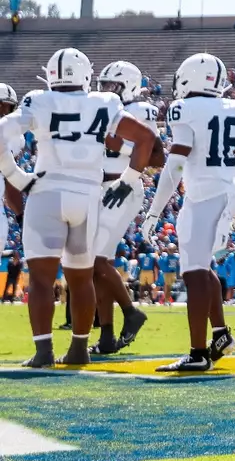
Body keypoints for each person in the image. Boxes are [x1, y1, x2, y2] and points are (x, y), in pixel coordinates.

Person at [1, 50, 149, 367]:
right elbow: (145, 138)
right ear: (84, 75)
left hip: (48, 191)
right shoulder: (105, 102)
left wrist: (15, 175)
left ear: (52, 75)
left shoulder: (38, 99)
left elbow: (1, 130)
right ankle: (79, 349)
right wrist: (129, 178)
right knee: (81, 278)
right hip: (87, 195)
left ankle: (44, 352)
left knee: (41, 280)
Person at [140, 53, 235, 372]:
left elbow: (174, 165)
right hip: (226, 193)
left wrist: (154, 212)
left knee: (194, 272)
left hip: (201, 196)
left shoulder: (184, 109)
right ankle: (220, 336)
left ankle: (198, 352)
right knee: (206, 268)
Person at [87, 61, 159, 355]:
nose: (105, 90)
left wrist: (121, 146)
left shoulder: (140, 110)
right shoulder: (103, 109)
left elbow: (157, 157)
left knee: (96, 260)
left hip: (122, 187)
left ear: (128, 85)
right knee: (95, 266)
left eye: (112, 85)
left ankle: (131, 312)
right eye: (103, 85)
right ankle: (106, 336)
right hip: (98, 187)